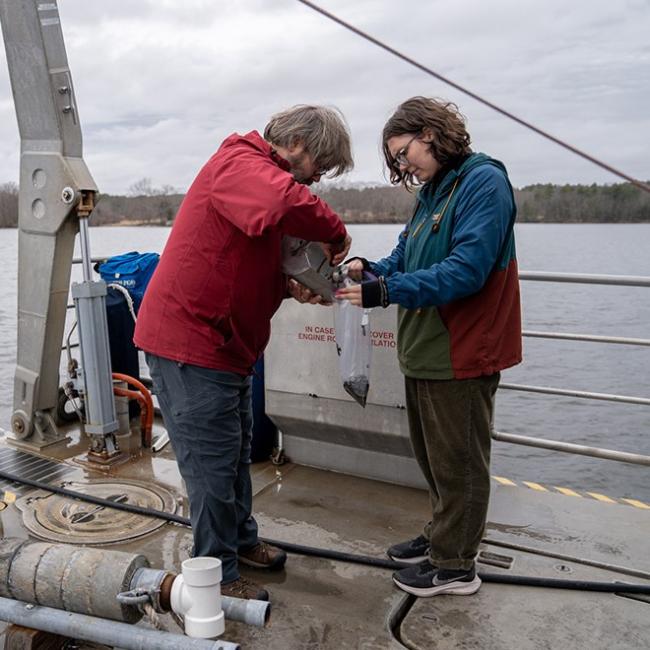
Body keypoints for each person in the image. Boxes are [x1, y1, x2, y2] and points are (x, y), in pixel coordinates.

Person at [134, 105, 353, 601]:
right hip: (191, 346)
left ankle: (240, 540)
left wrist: (290, 285)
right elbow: (280, 203)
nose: (318, 178)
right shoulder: (238, 164)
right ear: (298, 144)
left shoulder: (257, 177)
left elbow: (246, 260)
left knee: (234, 455)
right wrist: (334, 233)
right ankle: (217, 576)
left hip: (229, 348)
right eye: (322, 165)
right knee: (211, 468)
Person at [337, 96, 521, 598]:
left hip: (461, 351)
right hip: (424, 350)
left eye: (404, 153)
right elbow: (404, 255)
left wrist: (387, 291)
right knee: (435, 458)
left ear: (432, 133)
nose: (403, 166)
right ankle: (444, 536)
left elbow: (468, 269)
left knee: (460, 462)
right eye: (396, 159)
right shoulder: (432, 192)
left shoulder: (484, 183)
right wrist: (371, 270)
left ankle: (457, 565)